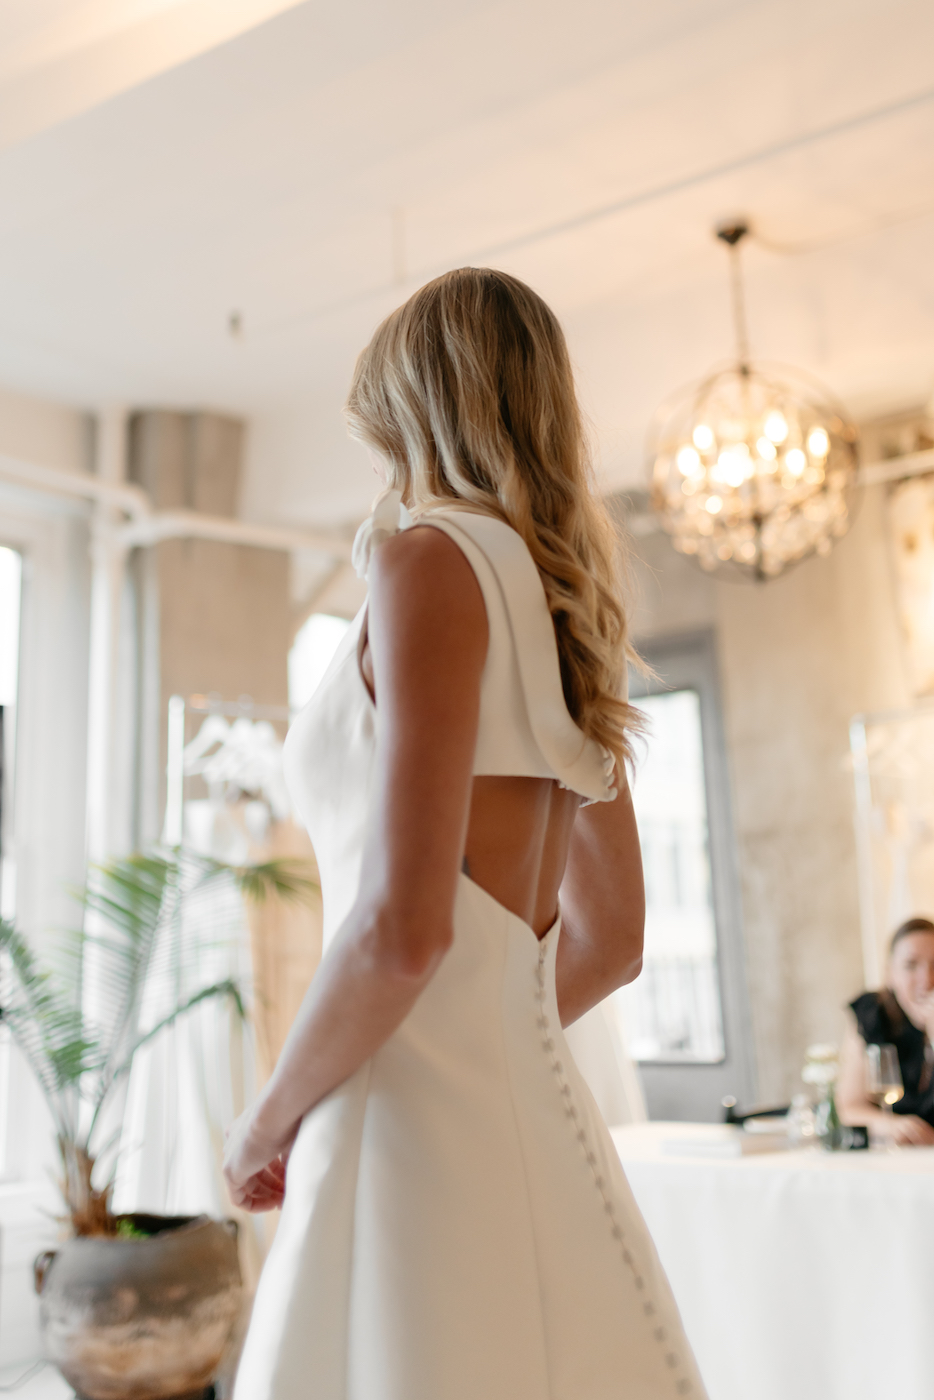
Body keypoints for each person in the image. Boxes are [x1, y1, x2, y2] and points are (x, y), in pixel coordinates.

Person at [223, 268, 706, 1398]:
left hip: (401, 1127)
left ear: (413, 401)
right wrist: (481, 1032)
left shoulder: (428, 560)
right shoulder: (559, 603)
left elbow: (401, 929)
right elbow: (613, 942)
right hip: (536, 1117)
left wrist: (270, 1116)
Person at [837, 916, 934, 1146]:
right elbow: (849, 1107)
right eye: (911, 965)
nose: (927, 980)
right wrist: (888, 1125)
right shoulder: (874, 1015)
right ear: (890, 974)